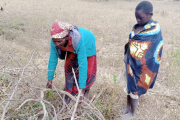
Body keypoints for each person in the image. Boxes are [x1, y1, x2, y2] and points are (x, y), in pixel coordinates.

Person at [121, 1, 163, 119]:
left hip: (142, 67)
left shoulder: (154, 29)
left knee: (135, 90)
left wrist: (140, 61)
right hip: (130, 63)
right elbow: (132, 42)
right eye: (136, 17)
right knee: (129, 86)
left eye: (141, 17)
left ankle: (132, 113)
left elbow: (154, 49)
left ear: (150, 14)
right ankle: (127, 107)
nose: (138, 20)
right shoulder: (137, 26)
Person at [46, 22, 97, 104]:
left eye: (59, 41)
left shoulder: (77, 40)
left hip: (87, 43)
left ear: (66, 37)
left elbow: (83, 64)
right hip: (72, 46)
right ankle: (69, 93)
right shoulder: (54, 40)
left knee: (88, 71)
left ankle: (85, 91)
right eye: (54, 41)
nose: (57, 44)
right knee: (69, 68)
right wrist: (50, 79)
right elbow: (53, 59)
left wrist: (82, 88)